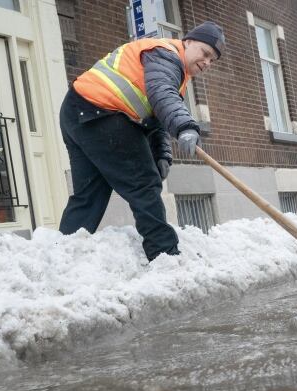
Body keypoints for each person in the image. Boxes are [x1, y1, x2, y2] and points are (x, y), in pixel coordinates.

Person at [58, 21, 225, 260]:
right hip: (100, 112)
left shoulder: (171, 67)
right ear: (187, 42)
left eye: (212, 60)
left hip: (77, 110)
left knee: (90, 194)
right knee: (144, 184)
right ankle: (165, 256)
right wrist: (185, 126)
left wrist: (162, 155)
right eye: (205, 53)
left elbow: (154, 118)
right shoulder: (166, 55)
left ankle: (61, 257)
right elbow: (161, 94)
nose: (207, 62)